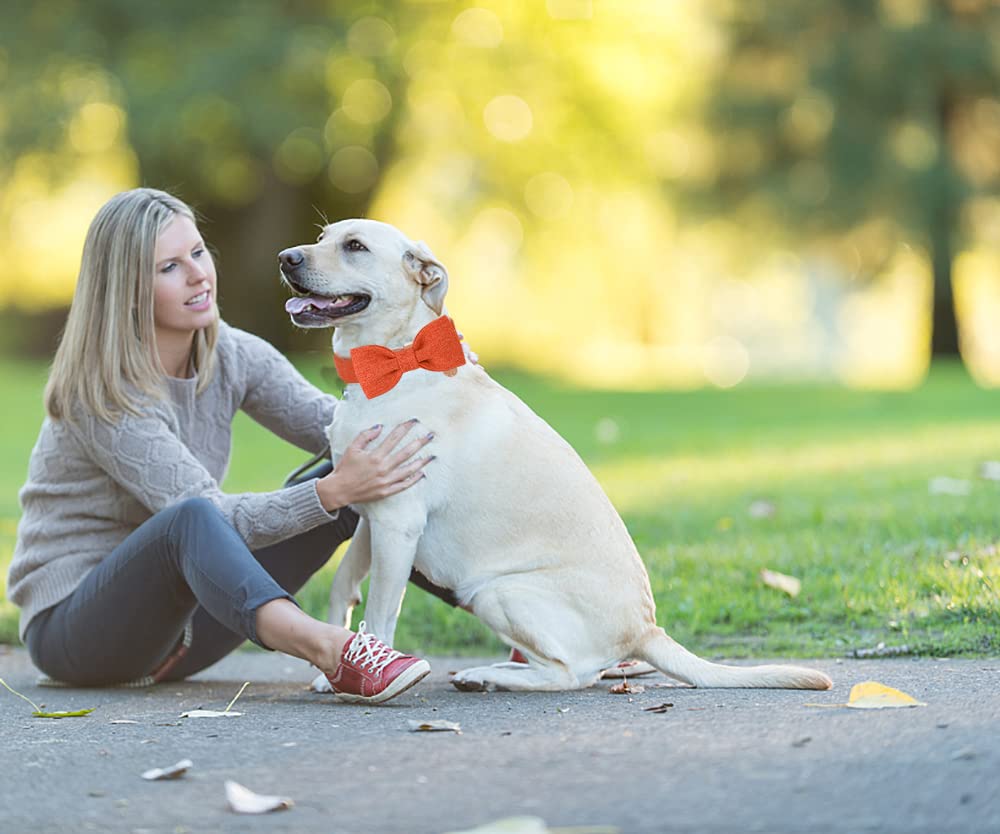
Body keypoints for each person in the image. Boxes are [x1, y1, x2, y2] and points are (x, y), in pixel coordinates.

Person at [6, 187, 441, 704]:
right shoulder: (101, 396)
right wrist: (330, 491)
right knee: (195, 517)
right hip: (80, 634)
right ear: (126, 289)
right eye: (168, 267)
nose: (197, 274)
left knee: (382, 456)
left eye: (196, 252)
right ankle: (337, 652)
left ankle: (516, 607)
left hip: (191, 627)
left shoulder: (232, 353)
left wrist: (438, 404)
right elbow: (211, 518)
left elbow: (341, 430)